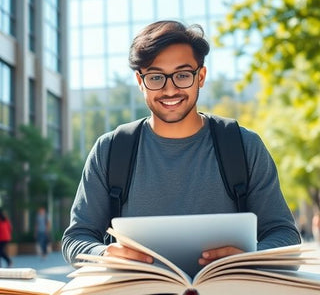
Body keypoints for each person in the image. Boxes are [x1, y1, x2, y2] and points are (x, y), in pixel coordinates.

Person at [62, 20, 301, 267]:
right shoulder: (110, 150)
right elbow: (76, 238)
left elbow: (285, 235)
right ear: (140, 81)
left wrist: (249, 259)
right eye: (156, 77)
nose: (170, 89)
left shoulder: (243, 146)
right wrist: (103, 254)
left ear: (201, 77)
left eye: (182, 75)